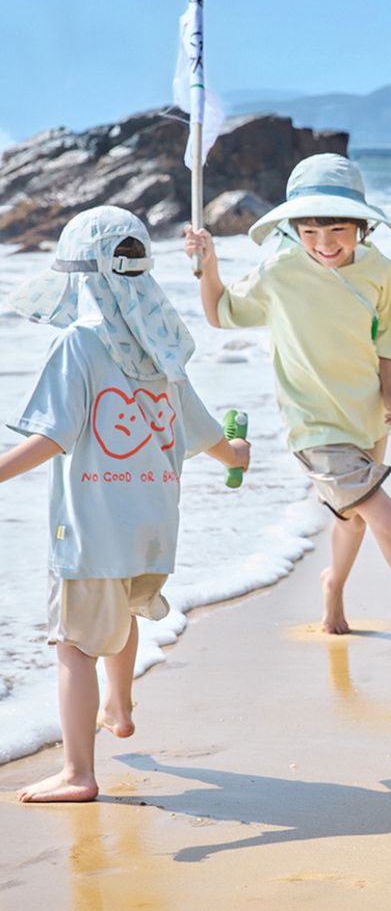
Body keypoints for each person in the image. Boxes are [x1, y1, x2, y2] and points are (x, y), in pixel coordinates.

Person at [1, 206, 250, 804]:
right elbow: (201, 432)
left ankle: (78, 773)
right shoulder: (159, 343)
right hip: (153, 529)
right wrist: (237, 456)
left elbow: (53, 436)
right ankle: (119, 704)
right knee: (124, 613)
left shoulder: (79, 343)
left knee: (74, 645)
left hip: (92, 534)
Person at [184, 153, 391, 647]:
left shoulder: (381, 271)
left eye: (337, 230)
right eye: (309, 232)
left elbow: (386, 337)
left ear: (360, 226)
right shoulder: (278, 272)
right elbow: (221, 313)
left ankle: (332, 586)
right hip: (313, 425)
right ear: (293, 228)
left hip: (367, 412)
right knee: (389, 521)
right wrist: (209, 267)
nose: (324, 244)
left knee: (351, 517)